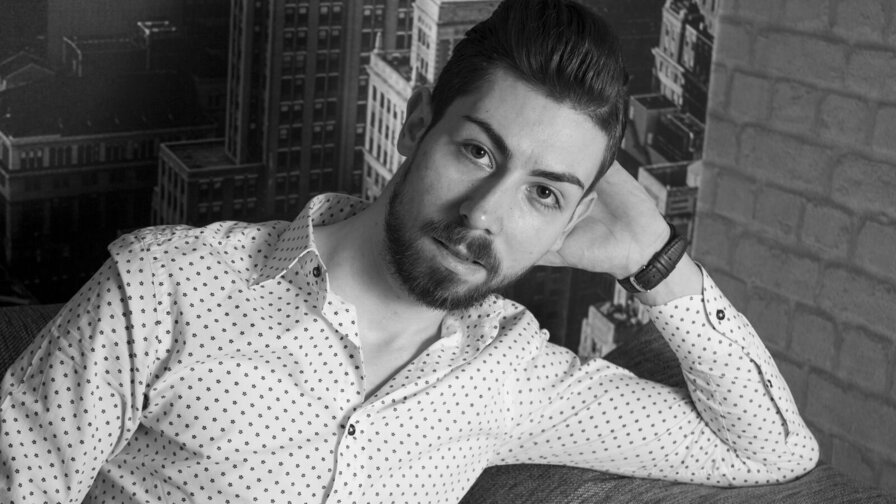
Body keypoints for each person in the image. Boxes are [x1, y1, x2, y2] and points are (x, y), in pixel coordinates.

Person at [1, 0, 818, 502]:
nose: (485, 213)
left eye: (544, 194)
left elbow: (770, 449)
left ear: (570, 221)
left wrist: (655, 258)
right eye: (478, 151)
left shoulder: (511, 378)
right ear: (415, 123)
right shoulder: (166, 287)